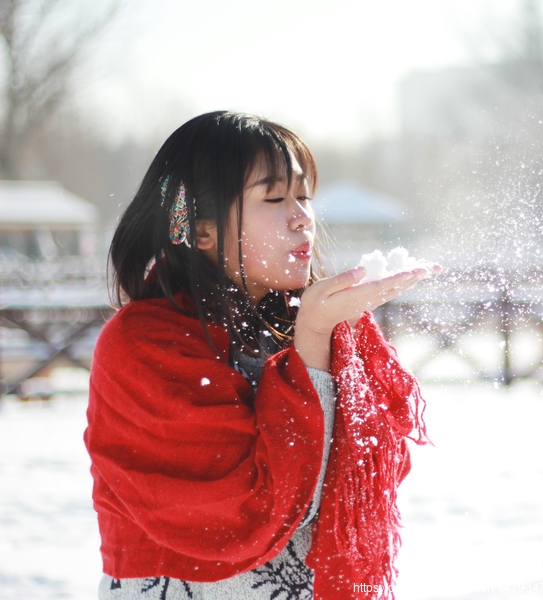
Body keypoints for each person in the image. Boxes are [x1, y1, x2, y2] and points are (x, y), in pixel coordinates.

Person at [84, 111, 434, 600]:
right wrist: (313, 344)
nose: (301, 216)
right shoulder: (142, 344)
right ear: (201, 231)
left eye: (304, 194)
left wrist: (337, 340)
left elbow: (371, 478)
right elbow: (240, 517)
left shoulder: (303, 321)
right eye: (274, 197)